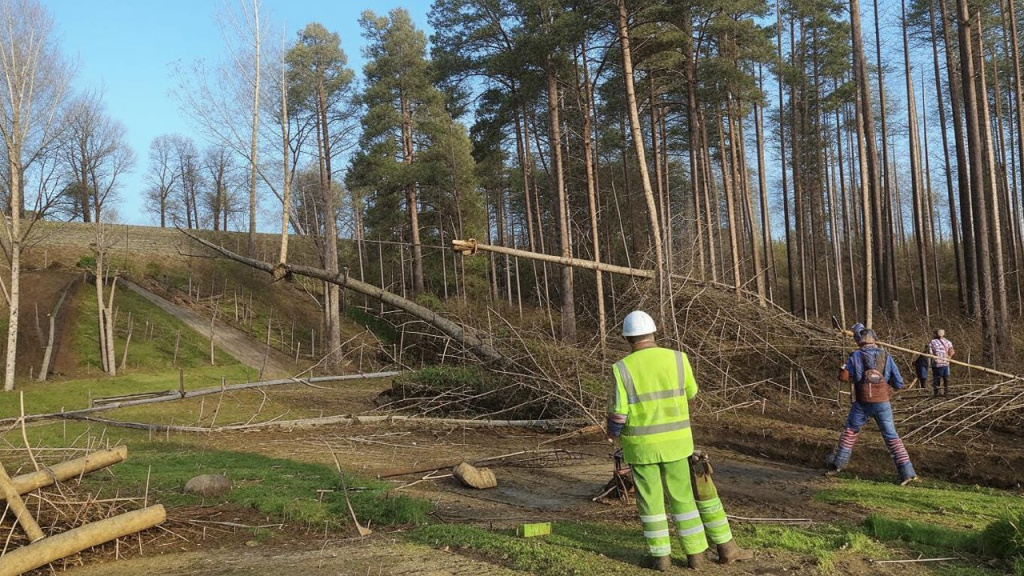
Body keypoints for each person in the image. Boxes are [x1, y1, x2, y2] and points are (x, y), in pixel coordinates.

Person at [607, 310, 753, 571]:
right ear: (654, 333)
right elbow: (692, 393)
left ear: (627, 338)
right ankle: (696, 556)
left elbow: (619, 413)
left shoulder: (621, 369)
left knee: (650, 501)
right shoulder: (678, 359)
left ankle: (660, 558)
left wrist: (611, 433)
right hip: (677, 444)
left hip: (642, 449)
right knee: (683, 499)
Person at [826, 329, 918, 485]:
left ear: (859, 341)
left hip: (862, 403)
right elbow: (898, 383)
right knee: (891, 436)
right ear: (875, 340)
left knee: (850, 431)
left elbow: (845, 377)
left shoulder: (855, 355)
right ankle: (907, 473)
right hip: (882, 403)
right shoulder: (886, 356)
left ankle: (837, 466)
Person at [928, 329, 955, 398]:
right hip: (937, 364)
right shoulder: (932, 342)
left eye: (942, 332)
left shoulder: (948, 342)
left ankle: (946, 393)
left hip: (945, 364)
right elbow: (930, 352)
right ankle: (936, 393)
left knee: (946, 378)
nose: (940, 333)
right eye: (939, 332)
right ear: (936, 333)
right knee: (936, 379)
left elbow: (951, 350)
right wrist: (934, 358)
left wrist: (950, 356)